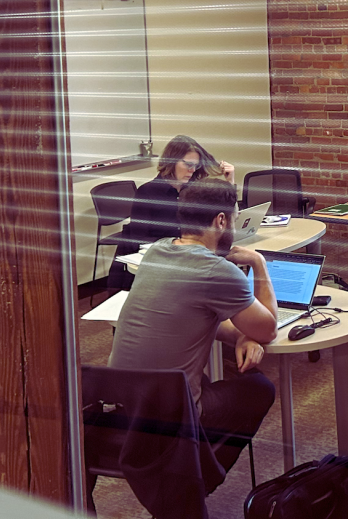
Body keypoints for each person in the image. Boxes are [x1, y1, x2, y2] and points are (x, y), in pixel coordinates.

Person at [109, 177, 277, 476]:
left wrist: (240, 335)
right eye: (235, 219)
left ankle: (188, 469)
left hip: (125, 400)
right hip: (171, 412)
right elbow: (268, 330)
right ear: (221, 220)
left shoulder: (157, 251)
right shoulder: (216, 269)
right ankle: (200, 477)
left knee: (217, 372)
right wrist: (259, 263)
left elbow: (192, 317)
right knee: (259, 388)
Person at [109, 134, 236, 290]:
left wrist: (230, 182)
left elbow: (225, 217)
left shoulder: (194, 191)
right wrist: (175, 247)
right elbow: (138, 239)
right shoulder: (148, 192)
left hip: (188, 258)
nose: (192, 170)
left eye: (195, 166)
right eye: (188, 164)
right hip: (160, 261)